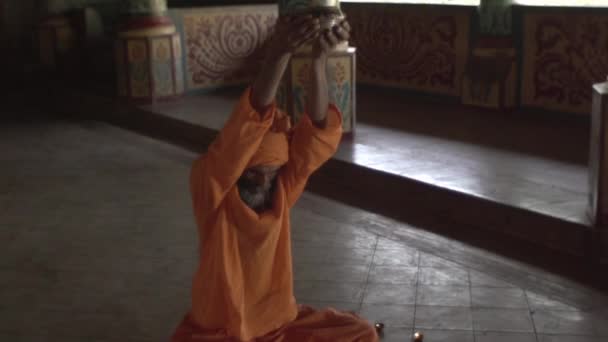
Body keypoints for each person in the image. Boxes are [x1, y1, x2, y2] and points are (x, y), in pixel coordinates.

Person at [172, 13, 378, 342]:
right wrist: (279, 52)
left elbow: (316, 138)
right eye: (256, 174)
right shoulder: (212, 191)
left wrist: (318, 61)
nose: (266, 182)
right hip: (222, 331)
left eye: (272, 173)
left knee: (361, 332)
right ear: (238, 169)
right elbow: (248, 122)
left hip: (279, 325)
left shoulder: (279, 190)